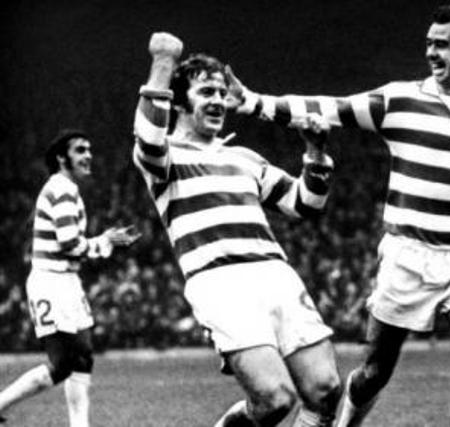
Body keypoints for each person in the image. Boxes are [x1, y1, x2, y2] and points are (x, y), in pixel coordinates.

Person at [228, 3, 450, 425]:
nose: (430, 52)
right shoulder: (400, 100)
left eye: (441, 44)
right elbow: (329, 107)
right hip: (406, 256)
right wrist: (252, 102)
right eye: (428, 43)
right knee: (374, 373)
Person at [133, 32, 341, 427]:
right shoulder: (167, 158)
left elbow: (305, 204)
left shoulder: (245, 157)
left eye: (221, 92)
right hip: (220, 281)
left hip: (275, 274)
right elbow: (148, 138)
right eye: (205, 92)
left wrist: (315, 151)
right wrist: (163, 63)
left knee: (326, 390)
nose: (218, 100)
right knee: (275, 399)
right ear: (178, 102)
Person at [0, 129, 139, 426]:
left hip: (66, 281)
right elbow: (69, 244)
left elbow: (70, 243)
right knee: (63, 363)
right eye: (80, 150)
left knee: (83, 356)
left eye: (89, 149)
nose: (88, 156)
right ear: (62, 158)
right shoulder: (61, 189)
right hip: (52, 282)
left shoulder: (65, 188)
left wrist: (104, 240)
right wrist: (104, 241)